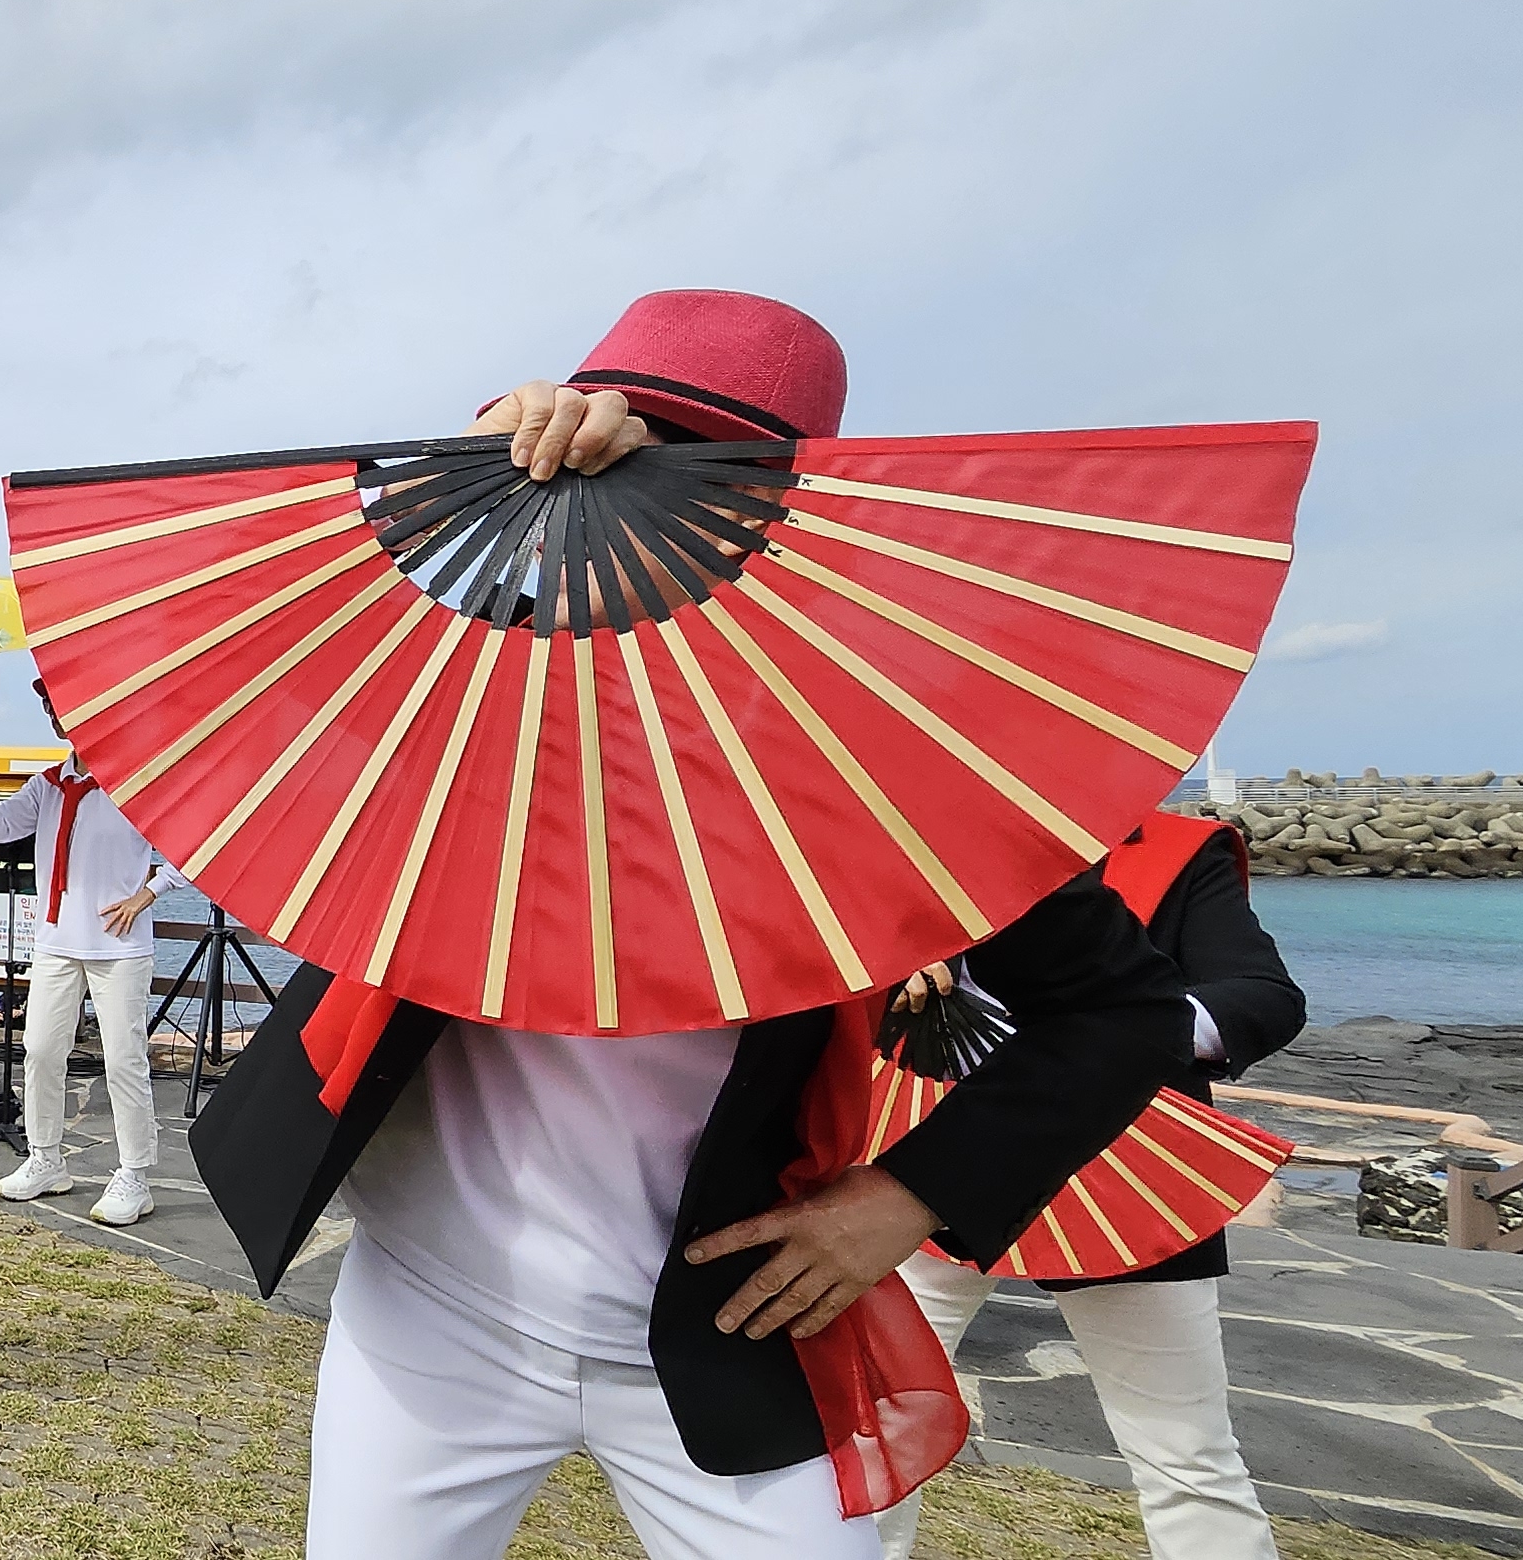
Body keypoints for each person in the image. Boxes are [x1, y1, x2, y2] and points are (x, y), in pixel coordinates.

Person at [186, 291, 1200, 1559]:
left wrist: (907, 1197)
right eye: (616, 458)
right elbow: (294, 678)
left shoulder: (885, 752)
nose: (635, 506)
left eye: (699, 478)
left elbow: (1122, 1012)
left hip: (728, 1325)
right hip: (427, 1306)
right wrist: (471, 474)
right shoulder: (470, 674)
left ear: (785, 517)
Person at [877, 813, 1305, 1560]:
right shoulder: (918, 833)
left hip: (1132, 1160)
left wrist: (1123, 1036)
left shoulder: (1177, 849)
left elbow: (1262, 995)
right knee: (875, 1428)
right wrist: (887, 975)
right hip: (930, 1155)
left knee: (1186, 1456)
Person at [0, 682, 184, 1227]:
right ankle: (46, 1159)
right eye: (49, 705)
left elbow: (193, 846)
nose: (55, 713)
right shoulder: (47, 786)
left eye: (62, 703)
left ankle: (134, 1174)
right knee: (40, 1051)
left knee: (124, 1060)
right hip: (56, 940)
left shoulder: (135, 783)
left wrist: (149, 892)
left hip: (119, 944)